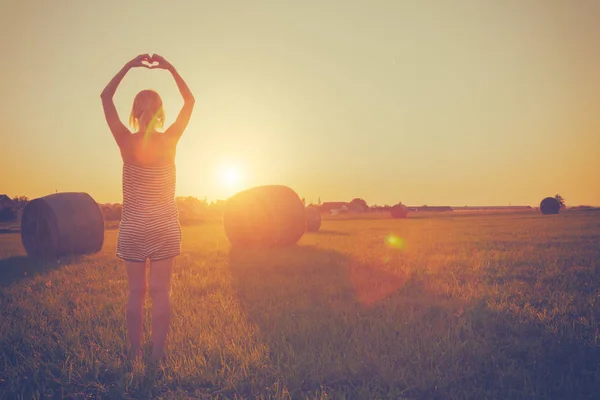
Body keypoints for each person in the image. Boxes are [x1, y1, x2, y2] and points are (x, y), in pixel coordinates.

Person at [100, 53, 195, 362]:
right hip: (165, 224)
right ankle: (156, 354)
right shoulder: (170, 140)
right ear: (160, 112)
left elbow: (105, 96)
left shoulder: (126, 141)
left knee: (135, 293)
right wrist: (171, 68)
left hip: (133, 227)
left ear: (136, 111)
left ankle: (133, 354)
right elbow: (190, 101)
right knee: (161, 292)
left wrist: (128, 65)